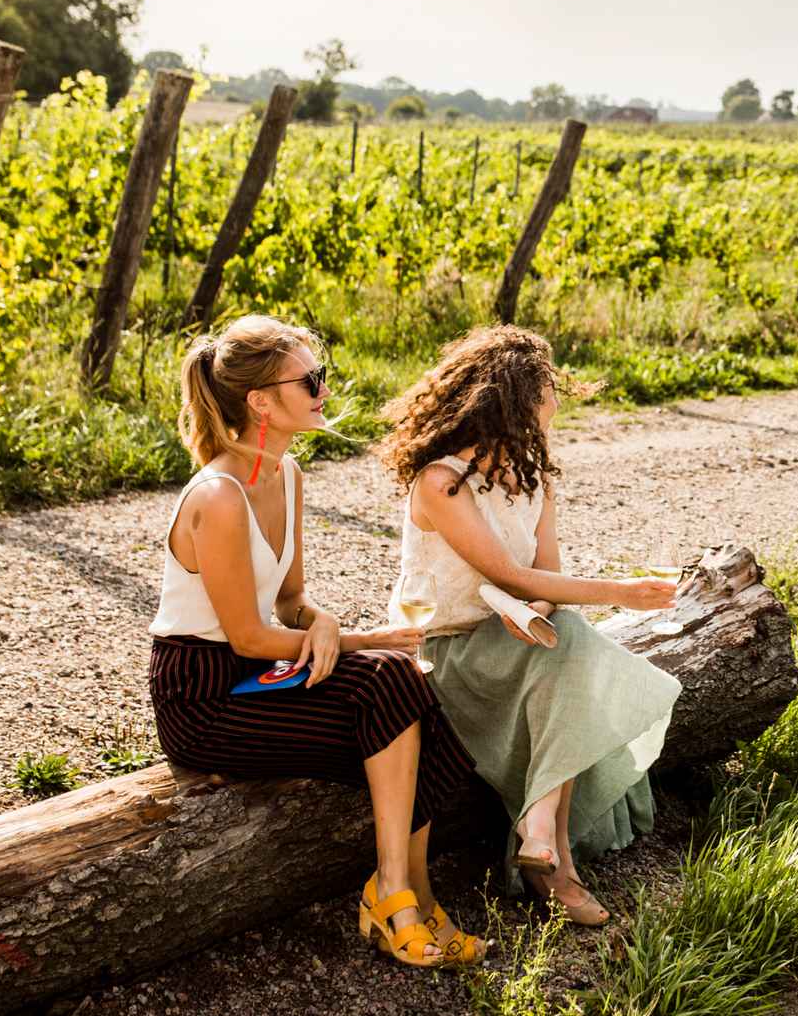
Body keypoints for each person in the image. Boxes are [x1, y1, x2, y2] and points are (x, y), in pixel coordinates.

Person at [149, 314, 484, 968]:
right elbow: (246, 635)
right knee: (388, 675)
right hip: (203, 697)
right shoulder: (217, 496)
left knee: (418, 688)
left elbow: (290, 603)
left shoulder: (288, 474)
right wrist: (366, 639)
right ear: (260, 401)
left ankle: (411, 889)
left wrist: (324, 622)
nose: (322, 390)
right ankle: (394, 899)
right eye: (309, 380)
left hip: (255, 667)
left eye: (319, 375)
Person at [378, 325, 681, 926]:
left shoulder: (534, 480)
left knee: (560, 635)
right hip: (448, 652)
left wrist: (535, 617)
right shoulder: (440, 481)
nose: (547, 428)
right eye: (540, 414)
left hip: (514, 641)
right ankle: (551, 849)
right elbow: (512, 576)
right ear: (503, 409)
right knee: (571, 644)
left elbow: (544, 581)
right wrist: (622, 593)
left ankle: (545, 840)